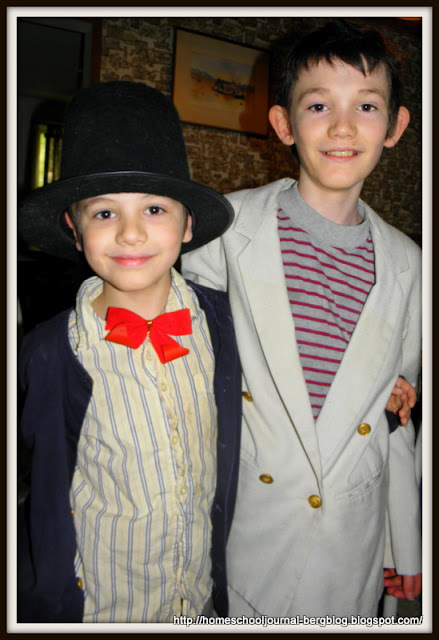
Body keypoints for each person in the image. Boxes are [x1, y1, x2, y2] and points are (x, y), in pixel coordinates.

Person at [182, 19, 422, 617]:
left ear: (395, 127)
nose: (343, 127)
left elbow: (392, 419)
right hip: (247, 531)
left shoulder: (411, 265)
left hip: (351, 546)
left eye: (366, 106)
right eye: (319, 105)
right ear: (284, 123)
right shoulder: (221, 230)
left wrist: (406, 541)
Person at [17, 81, 242, 623]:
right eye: (104, 214)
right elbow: (40, 487)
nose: (131, 233)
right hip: (102, 607)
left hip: (200, 602)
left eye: (155, 209)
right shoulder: (48, 352)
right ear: (73, 228)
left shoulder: (225, 325)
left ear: (188, 224)